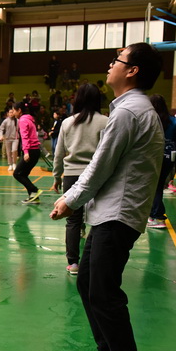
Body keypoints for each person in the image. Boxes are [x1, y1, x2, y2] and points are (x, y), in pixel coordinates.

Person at [49, 43, 164, 351]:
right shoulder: (131, 109)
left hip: (117, 214)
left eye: (117, 60)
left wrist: (70, 200)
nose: (110, 65)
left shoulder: (129, 112)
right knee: (88, 282)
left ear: (132, 71)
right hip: (110, 213)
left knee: (104, 291)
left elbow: (101, 165)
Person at [51, 83, 107, 275]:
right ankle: (94, 263)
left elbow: (58, 153)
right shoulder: (106, 122)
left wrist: (57, 177)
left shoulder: (67, 123)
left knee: (73, 221)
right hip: (96, 175)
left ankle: (73, 263)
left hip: (72, 175)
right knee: (99, 219)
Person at [147, 95, 176, 228]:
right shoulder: (172, 120)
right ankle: (154, 214)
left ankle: (158, 216)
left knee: (153, 187)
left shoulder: (150, 119)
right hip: (169, 157)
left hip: (152, 156)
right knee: (159, 186)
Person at [12, 102, 42, 204]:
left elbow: (25, 137)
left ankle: (34, 190)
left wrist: (26, 152)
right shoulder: (30, 119)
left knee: (17, 174)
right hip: (35, 150)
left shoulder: (23, 120)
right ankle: (34, 197)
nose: (13, 112)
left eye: (14, 110)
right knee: (23, 174)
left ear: (19, 110)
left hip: (30, 151)